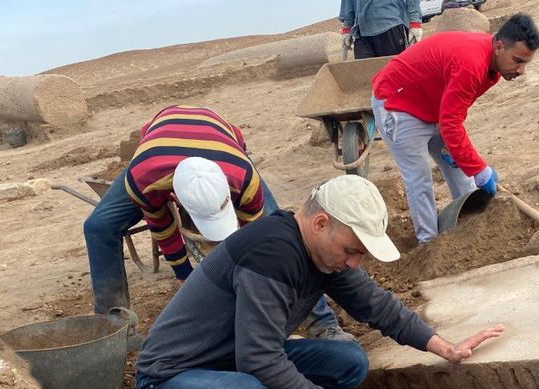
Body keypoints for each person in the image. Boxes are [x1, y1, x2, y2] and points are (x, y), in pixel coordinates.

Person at [135, 175, 503, 389]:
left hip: (229, 365)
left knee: (349, 361)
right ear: (321, 223)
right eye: (351, 251)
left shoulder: (323, 253)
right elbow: (259, 358)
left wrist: (444, 347)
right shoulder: (271, 254)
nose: (353, 263)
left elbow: (376, 304)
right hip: (170, 382)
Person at [82, 104, 349, 340]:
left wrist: (250, 286)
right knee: (97, 228)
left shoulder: (244, 178)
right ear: (173, 197)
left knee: (282, 233)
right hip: (157, 149)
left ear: (226, 189)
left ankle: (323, 323)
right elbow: (162, 228)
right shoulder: (143, 179)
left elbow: (258, 240)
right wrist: (184, 276)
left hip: (223, 140)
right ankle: (115, 331)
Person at [370, 13, 539, 245]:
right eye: (518, 60)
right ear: (499, 46)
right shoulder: (472, 64)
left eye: (525, 63)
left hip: (432, 108)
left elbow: (453, 115)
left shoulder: (493, 65)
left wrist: (464, 158)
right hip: (397, 103)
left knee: (462, 173)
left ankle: (472, 231)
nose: (521, 71)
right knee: (419, 179)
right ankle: (429, 246)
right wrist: (480, 168)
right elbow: (451, 123)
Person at [340, 0, 423, 60]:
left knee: (396, 75)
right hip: (362, 31)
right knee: (365, 76)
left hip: (391, 25)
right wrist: (347, 28)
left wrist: (415, 21)